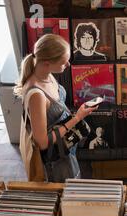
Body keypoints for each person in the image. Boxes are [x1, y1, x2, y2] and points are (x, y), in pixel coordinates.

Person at [14, 34, 98, 182]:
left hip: (65, 148)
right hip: (57, 161)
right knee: (68, 192)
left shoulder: (47, 74)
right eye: (64, 62)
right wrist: (77, 118)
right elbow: (42, 143)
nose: (68, 65)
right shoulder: (37, 96)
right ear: (47, 63)